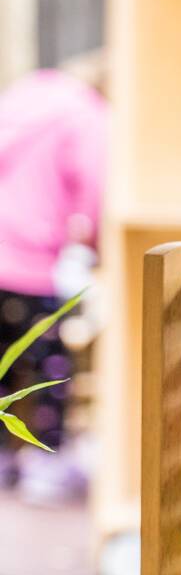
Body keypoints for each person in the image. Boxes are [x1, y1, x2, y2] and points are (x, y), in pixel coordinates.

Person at [0, 56, 107, 503]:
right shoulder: (87, 114)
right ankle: (47, 462)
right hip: (36, 263)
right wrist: (95, 243)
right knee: (48, 369)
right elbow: (95, 185)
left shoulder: (17, 99)